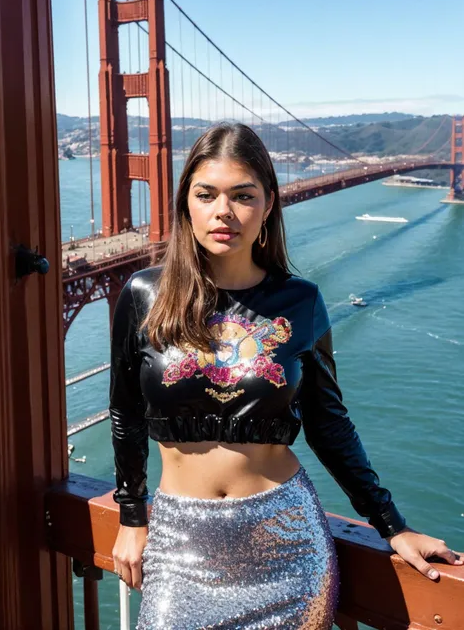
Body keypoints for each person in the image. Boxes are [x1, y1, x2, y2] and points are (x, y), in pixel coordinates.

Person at [109, 123, 462, 629]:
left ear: (269, 204)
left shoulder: (301, 302)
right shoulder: (145, 294)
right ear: (186, 201)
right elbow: (125, 412)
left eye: (243, 196)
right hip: (178, 543)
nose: (223, 211)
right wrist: (131, 515)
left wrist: (391, 525)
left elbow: (328, 423)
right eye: (206, 194)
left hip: (286, 543)